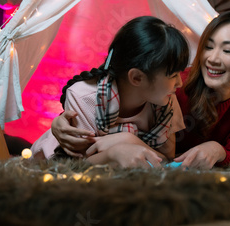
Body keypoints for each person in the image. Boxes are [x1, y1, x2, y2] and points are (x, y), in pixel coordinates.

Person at [50, 11, 230, 169]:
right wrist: (60, 121)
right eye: (209, 47)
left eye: (228, 50)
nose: (212, 58)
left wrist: (217, 149)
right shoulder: (172, 85)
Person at [30, 16, 190, 168]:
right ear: (137, 77)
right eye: (173, 75)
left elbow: (167, 161)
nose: (179, 83)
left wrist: (128, 140)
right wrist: (113, 153)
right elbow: (77, 166)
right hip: (51, 167)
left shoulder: (166, 99)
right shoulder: (84, 98)